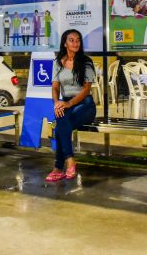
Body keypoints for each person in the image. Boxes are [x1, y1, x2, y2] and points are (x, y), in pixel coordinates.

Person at [46, 29, 97, 181]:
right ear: (65, 43)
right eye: (71, 40)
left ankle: (59, 166)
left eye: (78, 40)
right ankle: (69, 162)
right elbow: (55, 87)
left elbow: (86, 89)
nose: (75, 43)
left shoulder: (86, 61)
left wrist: (68, 103)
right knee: (62, 122)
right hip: (66, 102)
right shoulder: (58, 62)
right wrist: (57, 103)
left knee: (61, 125)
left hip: (85, 104)